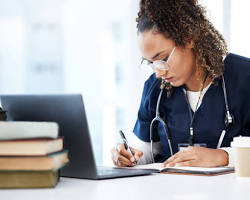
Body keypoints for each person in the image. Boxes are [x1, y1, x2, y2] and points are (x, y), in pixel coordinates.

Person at [111, 0, 250, 168]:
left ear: (189, 38)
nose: (159, 72)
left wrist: (225, 157)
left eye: (162, 59)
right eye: (151, 63)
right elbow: (145, 153)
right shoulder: (155, 88)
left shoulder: (244, 77)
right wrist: (128, 156)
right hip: (170, 192)